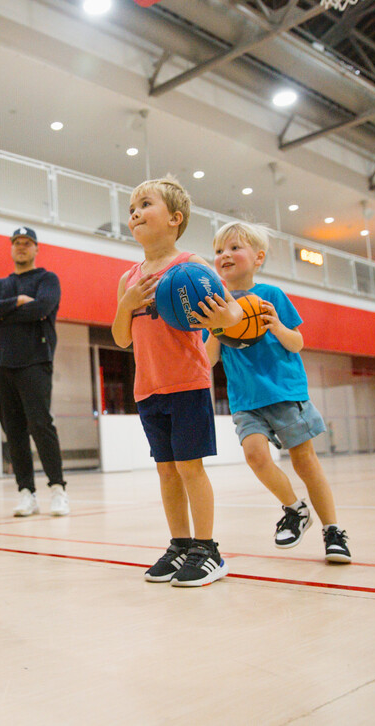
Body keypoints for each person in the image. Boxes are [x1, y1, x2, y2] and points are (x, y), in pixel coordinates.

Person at [111, 177, 243, 586]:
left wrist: (221, 318)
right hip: (147, 387)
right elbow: (120, 338)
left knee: (190, 468)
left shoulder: (192, 266)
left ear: (174, 218)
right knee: (166, 472)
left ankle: (207, 549)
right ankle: (180, 543)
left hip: (187, 382)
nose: (134, 212)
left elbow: (233, 313)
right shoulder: (128, 278)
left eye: (145, 204)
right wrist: (128, 305)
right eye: (131, 207)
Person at [205, 220, 352, 563]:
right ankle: (294, 509)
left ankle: (333, 530)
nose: (225, 255)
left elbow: (297, 342)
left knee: (305, 462)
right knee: (255, 455)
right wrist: (215, 327)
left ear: (258, 257)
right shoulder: (216, 304)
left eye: (234, 248)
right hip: (246, 400)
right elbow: (209, 359)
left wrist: (276, 325)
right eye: (218, 250)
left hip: (285, 392)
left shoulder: (271, 296)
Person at [0, 226, 69, 517]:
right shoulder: (0, 284)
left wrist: (2, 311)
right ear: (11, 248)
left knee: (41, 426)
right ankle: (26, 493)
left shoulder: (47, 279)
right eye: (16, 242)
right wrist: (17, 302)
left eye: (27, 243)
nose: (21, 247)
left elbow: (42, 308)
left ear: (36, 248)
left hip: (36, 362)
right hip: (4, 365)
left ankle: (58, 490)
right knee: (13, 432)